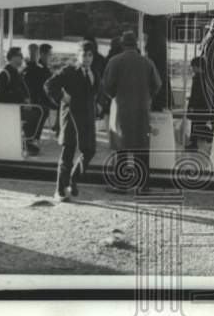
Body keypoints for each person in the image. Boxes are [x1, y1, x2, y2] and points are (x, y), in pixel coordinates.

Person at [102, 30, 162, 193]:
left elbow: (106, 85)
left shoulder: (114, 61)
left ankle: (121, 184)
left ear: (122, 45)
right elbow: (157, 84)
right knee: (141, 147)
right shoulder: (147, 62)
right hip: (141, 109)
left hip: (121, 109)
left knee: (121, 147)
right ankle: (143, 185)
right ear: (136, 45)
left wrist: (115, 96)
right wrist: (147, 96)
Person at [45, 41, 102, 201]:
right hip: (71, 117)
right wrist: (62, 97)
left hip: (87, 118)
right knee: (68, 153)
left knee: (89, 151)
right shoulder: (69, 71)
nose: (87, 58)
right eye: (84, 55)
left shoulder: (95, 73)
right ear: (78, 55)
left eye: (90, 55)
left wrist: (98, 103)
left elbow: (97, 90)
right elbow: (49, 84)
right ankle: (60, 190)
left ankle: (73, 179)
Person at [0, 47, 39, 155]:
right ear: (13, 57)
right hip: (8, 108)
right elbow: (2, 96)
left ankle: (29, 140)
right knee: (34, 113)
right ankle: (26, 142)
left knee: (39, 110)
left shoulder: (14, 71)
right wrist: (22, 102)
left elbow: (23, 88)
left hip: (17, 105)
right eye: (20, 56)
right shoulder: (4, 73)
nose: (22, 58)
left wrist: (27, 99)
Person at [23, 42, 55, 140]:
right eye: (50, 55)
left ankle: (34, 137)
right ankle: (34, 138)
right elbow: (42, 91)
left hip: (30, 101)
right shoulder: (40, 70)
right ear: (40, 55)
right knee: (45, 109)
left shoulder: (26, 69)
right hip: (33, 103)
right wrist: (53, 103)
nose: (51, 57)